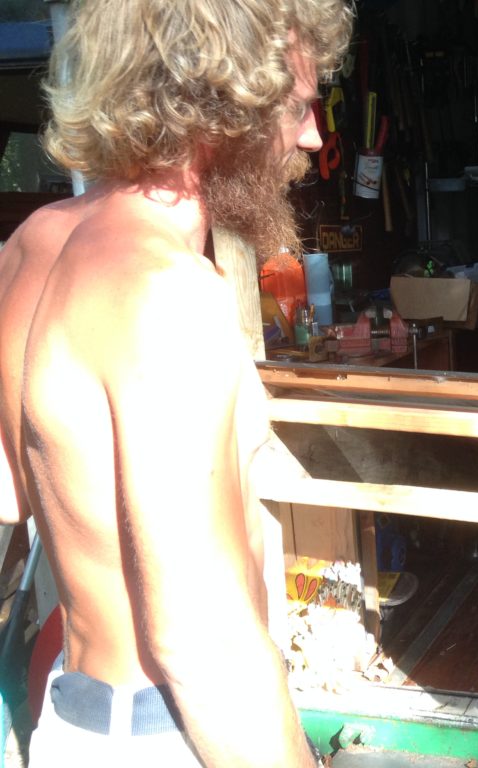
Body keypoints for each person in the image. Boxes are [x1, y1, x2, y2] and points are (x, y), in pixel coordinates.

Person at [0, 0, 353, 765]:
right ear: (221, 105)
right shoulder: (169, 292)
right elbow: (204, 650)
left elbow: (8, 495)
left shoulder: (27, 249)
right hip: (174, 738)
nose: (312, 136)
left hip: (72, 725)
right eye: (295, 107)